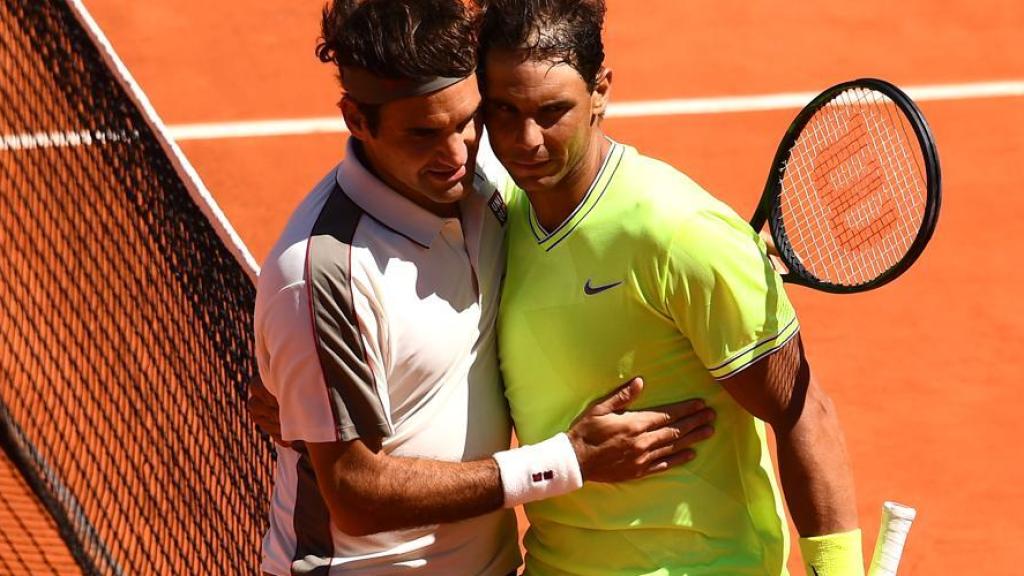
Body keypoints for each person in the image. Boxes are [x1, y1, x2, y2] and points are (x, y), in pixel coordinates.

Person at [251, 1, 715, 574]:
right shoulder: (321, 277)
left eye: (467, 120)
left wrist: (717, 256)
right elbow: (352, 492)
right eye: (423, 133)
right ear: (356, 118)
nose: (455, 156)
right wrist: (563, 462)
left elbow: (596, 221)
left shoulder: (489, 182)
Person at [477, 1, 865, 575]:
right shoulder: (498, 216)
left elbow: (804, 412)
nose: (525, 139)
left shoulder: (680, 233)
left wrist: (839, 574)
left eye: (552, 110)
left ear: (601, 90)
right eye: (503, 110)